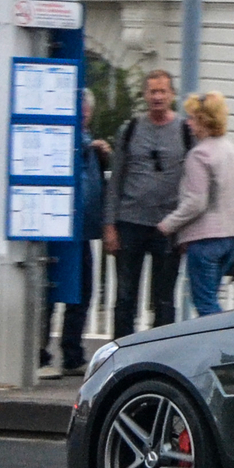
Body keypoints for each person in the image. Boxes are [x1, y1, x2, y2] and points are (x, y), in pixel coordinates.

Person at [102, 68, 189, 335]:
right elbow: (116, 180)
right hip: (130, 222)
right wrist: (109, 226)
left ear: (172, 95)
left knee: (164, 299)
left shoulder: (186, 131)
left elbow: (195, 183)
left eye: (163, 91)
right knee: (125, 296)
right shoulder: (129, 130)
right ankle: (121, 355)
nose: (157, 97)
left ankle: (161, 355)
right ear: (144, 95)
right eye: (152, 91)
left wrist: (188, 228)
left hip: (170, 225)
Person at [156, 89, 234, 317]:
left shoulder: (199, 155)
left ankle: (225, 345)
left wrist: (168, 224)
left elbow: (196, 202)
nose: (188, 123)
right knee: (212, 296)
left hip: (206, 239)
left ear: (203, 120)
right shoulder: (232, 150)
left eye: (192, 118)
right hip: (232, 236)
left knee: (206, 304)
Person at [41, 88, 111, 377]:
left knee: (82, 292)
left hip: (82, 231)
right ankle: (41, 354)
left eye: (85, 109)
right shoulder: (69, 140)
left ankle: (72, 353)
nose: (82, 113)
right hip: (60, 228)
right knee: (52, 292)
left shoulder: (90, 144)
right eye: (78, 108)